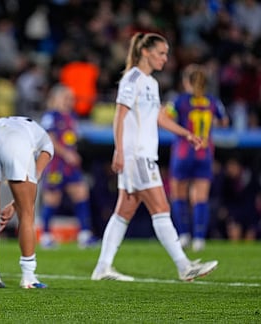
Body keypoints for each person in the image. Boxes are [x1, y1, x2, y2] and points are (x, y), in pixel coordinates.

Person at [91, 32, 218, 282]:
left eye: (166, 53)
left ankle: (102, 267)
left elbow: (159, 118)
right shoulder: (133, 78)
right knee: (161, 207)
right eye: (161, 53)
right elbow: (119, 114)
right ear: (146, 52)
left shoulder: (151, 82)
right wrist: (119, 149)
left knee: (123, 213)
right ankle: (184, 266)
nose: (165, 58)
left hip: (142, 155)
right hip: (137, 155)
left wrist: (186, 134)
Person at [0, 116, 53, 289]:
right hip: (16, 142)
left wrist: (13, 203)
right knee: (27, 213)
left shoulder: (13, 122)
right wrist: (18, 203)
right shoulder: (45, 140)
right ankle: (29, 277)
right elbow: (35, 176)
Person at [167, 64, 229, 252]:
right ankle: (200, 239)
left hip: (183, 151)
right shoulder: (212, 101)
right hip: (205, 152)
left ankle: (184, 234)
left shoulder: (180, 101)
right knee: (200, 197)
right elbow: (224, 121)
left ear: (187, 82)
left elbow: (166, 118)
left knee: (178, 194)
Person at [39, 84, 98, 249]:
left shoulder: (71, 116)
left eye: (71, 99)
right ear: (56, 99)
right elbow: (50, 139)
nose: (69, 101)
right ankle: (45, 236)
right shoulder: (51, 116)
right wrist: (67, 154)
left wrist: (74, 152)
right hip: (56, 164)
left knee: (81, 193)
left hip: (70, 165)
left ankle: (85, 235)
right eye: (66, 98)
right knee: (52, 199)